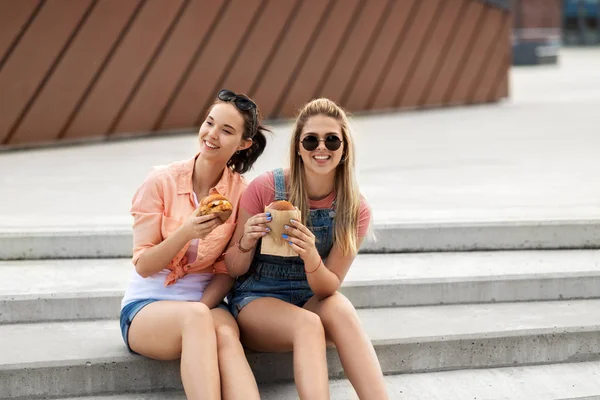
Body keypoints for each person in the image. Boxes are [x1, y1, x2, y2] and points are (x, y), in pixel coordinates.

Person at [224, 98, 388, 399]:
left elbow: (329, 288)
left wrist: (311, 256)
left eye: (331, 140)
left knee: (340, 308)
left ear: (344, 148)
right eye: (311, 140)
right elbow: (233, 268)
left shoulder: (354, 208)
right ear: (298, 148)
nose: (321, 148)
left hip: (310, 297)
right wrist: (246, 241)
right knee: (308, 324)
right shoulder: (266, 188)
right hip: (257, 299)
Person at [119, 90, 267, 400]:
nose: (212, 135)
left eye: (226, 130)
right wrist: (186, 232)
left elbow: (228, 270)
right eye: (209, 123)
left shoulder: (242, 194)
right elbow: (144, 266)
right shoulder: (161, 180)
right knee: (199, 320)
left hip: (206, 302)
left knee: (225, 334)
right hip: (148, 306)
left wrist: (200, 310)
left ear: (243, 143)